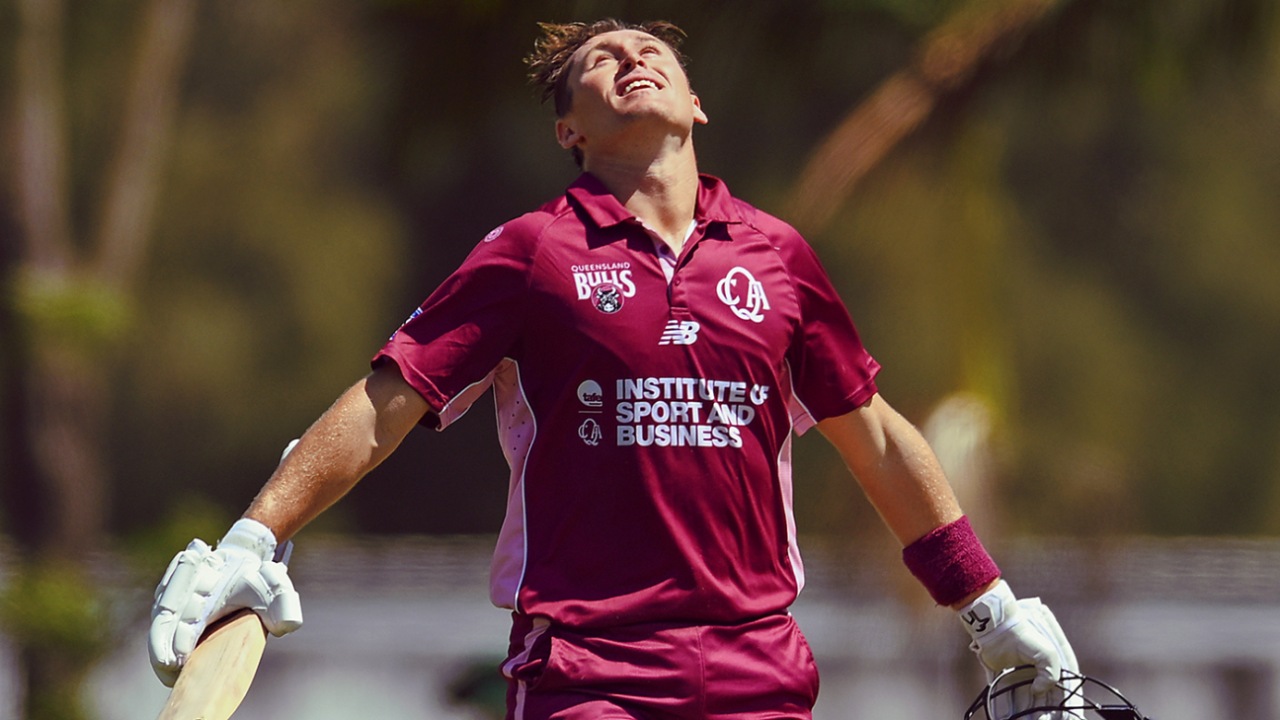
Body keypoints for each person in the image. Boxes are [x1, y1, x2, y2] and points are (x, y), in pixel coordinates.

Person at [148, 18, 1077, 720]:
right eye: (601, 60)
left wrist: (987, 603)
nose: (633, 58)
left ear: (696, 104)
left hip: (763, 667)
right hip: (589, 670)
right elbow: (387, 403)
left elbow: (873, 440)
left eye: (652, 51)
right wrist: (255, 537)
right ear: (569, 133)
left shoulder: (778, 257)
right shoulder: (531, 253)